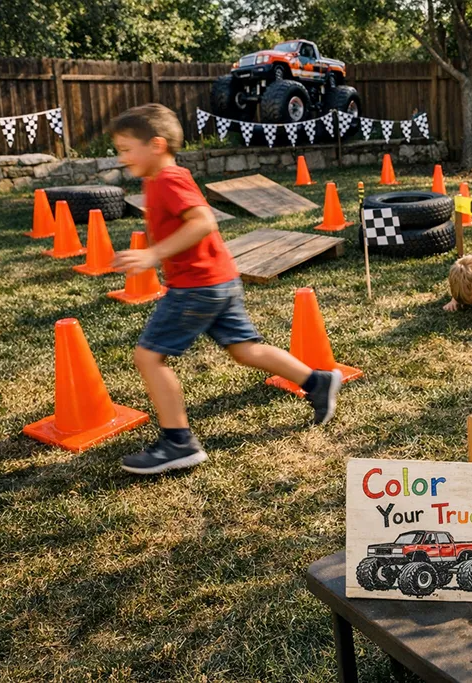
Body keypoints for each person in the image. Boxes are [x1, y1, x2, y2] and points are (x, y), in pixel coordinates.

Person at [109, 103, 341, 475]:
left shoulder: (168, 179)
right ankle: (317, 381)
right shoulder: (157, 180)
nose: (121, 158)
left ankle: (178, 442)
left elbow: (203, 221)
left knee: (148, 357)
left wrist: (154, 253)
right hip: (218, 279)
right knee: (246, 350)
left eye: (125, 149)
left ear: (155, 145)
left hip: (197, 286)